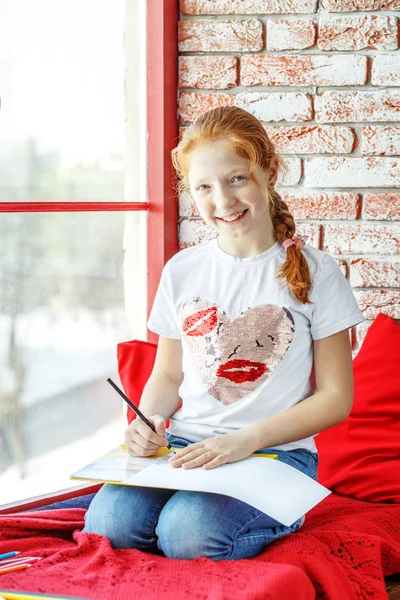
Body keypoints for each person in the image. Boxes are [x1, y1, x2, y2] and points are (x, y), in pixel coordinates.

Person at [83, 106, 365, 560]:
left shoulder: (317, 272)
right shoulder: (183, 270)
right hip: (185, 448)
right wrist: (147, 420)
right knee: (108, 524)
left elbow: (336, 398)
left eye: (237, 179)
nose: (224, 201)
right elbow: (168, 377)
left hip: (275, 453)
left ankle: (284, 514)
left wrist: (246, 440)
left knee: (187, 534)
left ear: (268, 172)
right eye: (204, 188)